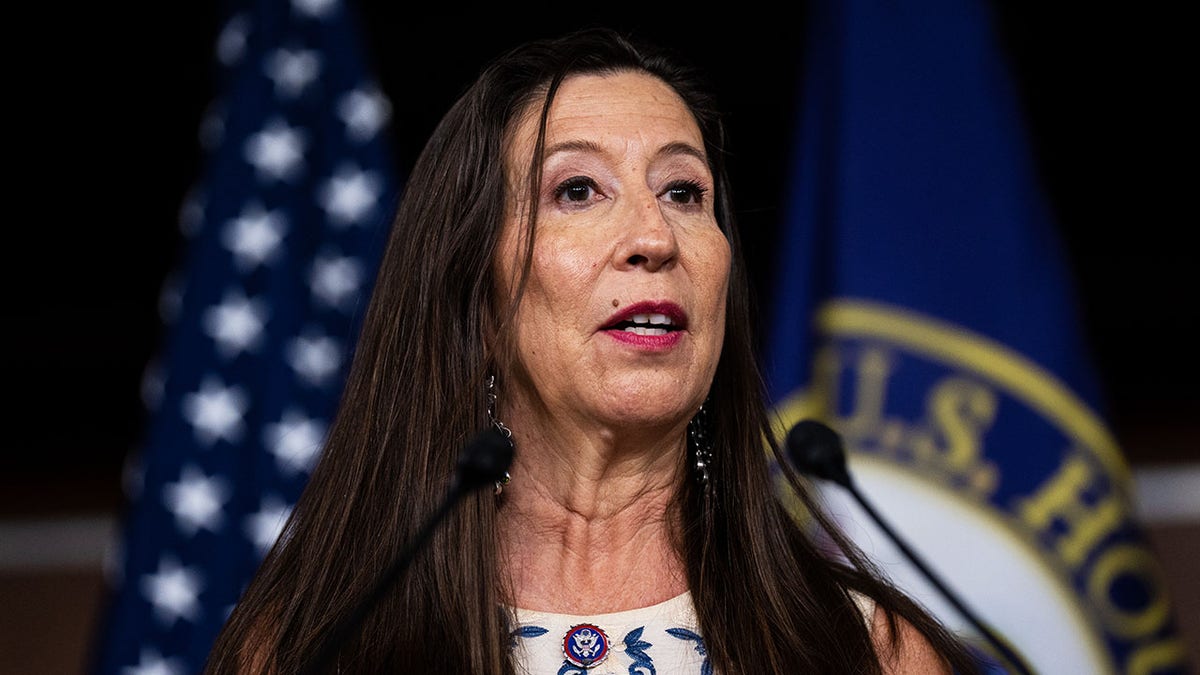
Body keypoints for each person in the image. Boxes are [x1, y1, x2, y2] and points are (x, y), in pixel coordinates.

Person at [204, 26, 984, 674]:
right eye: (577, 190)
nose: (653, 238)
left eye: (684, 192)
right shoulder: (310, 650)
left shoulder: (872, 650)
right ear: (474, 293)